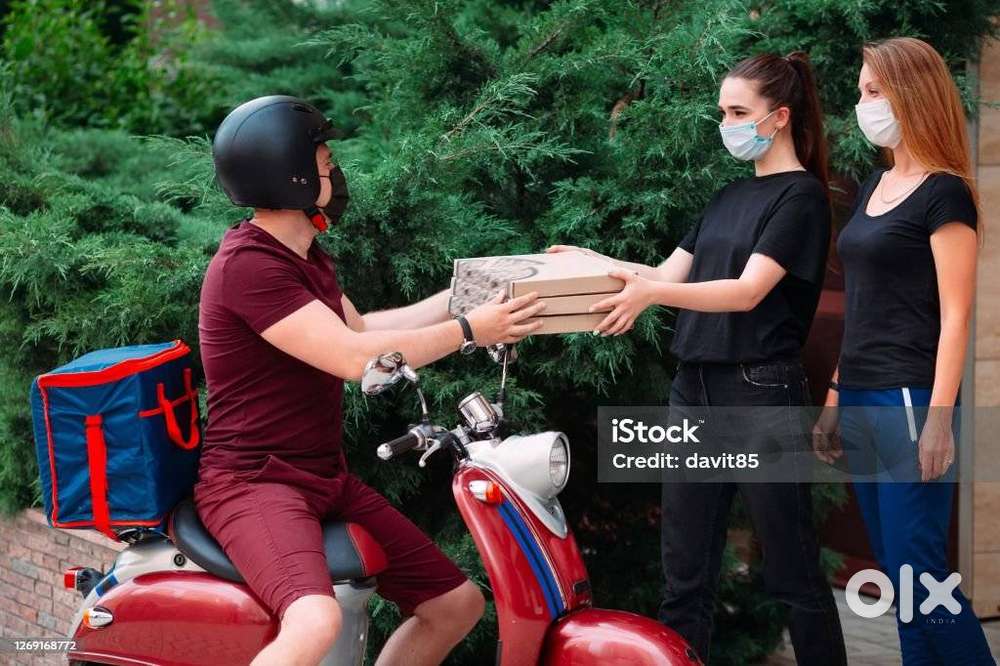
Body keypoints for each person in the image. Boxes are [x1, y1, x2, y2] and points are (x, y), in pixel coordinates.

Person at [194, 95, 545, 666]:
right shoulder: (250, 266)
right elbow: (358, 360)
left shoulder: (303, 255)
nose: (337, 174)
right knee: (313, 621)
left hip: (319, 476)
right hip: (255, 483)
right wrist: (469, 330)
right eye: (328, 164)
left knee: (454, 604)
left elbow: (366, 330)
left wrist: (468, 298)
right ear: (295, 175)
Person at [549, 52, 847, 664]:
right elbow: (663, 275)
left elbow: (746, 291)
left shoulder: (802, 200)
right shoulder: (727, 196)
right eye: (723, 112)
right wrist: (591, 262)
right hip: (695, 392)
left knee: (792, 573)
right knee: (685, 578)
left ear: (780, 117)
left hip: (760, 393)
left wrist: (653, 292)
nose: (727, 123)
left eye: (739, 111)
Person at [812, 37, 995, 665]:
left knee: (923, 584)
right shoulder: (877, 182)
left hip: (911, 400)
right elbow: (865, 304)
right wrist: (836, 395)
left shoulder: (946, 194)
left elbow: (958, 313)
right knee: (904, 583)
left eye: (872, 91)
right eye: (861, 91)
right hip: (862, 396)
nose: (862, 104)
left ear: (911, 93)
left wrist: (940, 417)